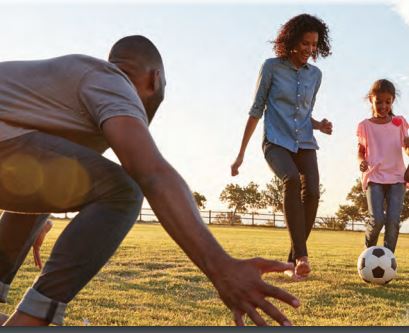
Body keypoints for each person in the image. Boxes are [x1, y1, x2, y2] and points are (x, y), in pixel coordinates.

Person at [0, 35, 300, 326]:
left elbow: (34, 171)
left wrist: (35, 212)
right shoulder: (111, 80)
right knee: (123, 191)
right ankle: (28, 322)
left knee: (67, 176)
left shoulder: (70, 97)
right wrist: (222, 267)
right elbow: (151, 173)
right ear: (156, 79)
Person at [231, 14, 333, 280]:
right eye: (305, 44)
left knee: (312, 192)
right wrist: (241, 153)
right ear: (291, 42)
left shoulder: (316, 75)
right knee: (290, 179)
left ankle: (293, 260)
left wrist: (319, 124)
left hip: (305, 142)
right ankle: (302, 256)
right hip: (276, 141)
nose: (310, 50)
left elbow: (302, 112)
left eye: (314, 45)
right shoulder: (271, 67)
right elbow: (256, 110)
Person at [357, 79, 409, 253]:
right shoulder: (365, 126)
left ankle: (388, 259)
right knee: (377, 219)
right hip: (375, 177)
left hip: (397, 178)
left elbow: (407, 147)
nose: (383, 105)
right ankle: (367, 254)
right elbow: (361, 151)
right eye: (378, 101)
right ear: (371, 99)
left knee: (393, 221)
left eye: (387, 102)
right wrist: (361, 162)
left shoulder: (399, 123)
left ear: (392, 101)